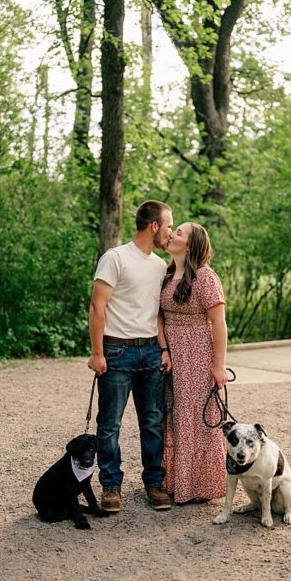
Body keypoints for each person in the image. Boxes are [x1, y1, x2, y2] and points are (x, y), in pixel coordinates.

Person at [87, 200, 173, 513]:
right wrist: (97, 353)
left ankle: (154, 483)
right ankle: (111, 486)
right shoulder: (115, 258)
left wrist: (163, 349)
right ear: (154, 226)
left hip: (150, 351)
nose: (170, 232)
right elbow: (98, 306)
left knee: (152, 422)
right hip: (116, 351)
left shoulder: (160, 266)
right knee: (109, 424)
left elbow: (159, 312)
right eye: (168, 226)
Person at [158, 222, 228, 503]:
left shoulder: (206, 278)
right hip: (172, 354)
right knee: (173, 416)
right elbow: (159, 317)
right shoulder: (166, 275)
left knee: (196, 419)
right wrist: (164, 349)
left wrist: (218, 365)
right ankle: (175, 482)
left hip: (198, 354)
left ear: (189, 245)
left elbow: (219, 322)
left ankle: (200, 486)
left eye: (179, 232)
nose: (172, 234)